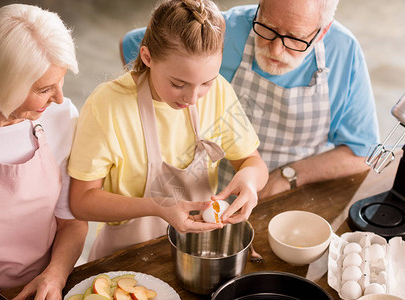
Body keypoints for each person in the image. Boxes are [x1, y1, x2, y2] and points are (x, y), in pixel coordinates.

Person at [68, 0, 268, 261]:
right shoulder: (107, 106)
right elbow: (82, 202)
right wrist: (158, 207)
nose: (194, 98)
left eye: (206, 82)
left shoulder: (218, 92)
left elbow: (252, 161)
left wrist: (251, 182)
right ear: (147, 57)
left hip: (197, 252)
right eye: (178, 83)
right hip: (126, 256)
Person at [121, 0, 380, 199]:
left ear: (322, 33)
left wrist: (286, 177)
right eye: (267, 28)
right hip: (203, 192)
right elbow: (134, 45)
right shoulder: (225, 28)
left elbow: (362, 152)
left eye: (294, 39)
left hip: (284, 196)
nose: (277, 49)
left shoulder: (344, 52)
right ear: (259, 8)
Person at [0, 4, 88, 299]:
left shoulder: (59, 117)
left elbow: (72, 221)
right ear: (3, 85)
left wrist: (54, 275)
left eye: (61, 82)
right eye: (44, 89)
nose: (59, 98)